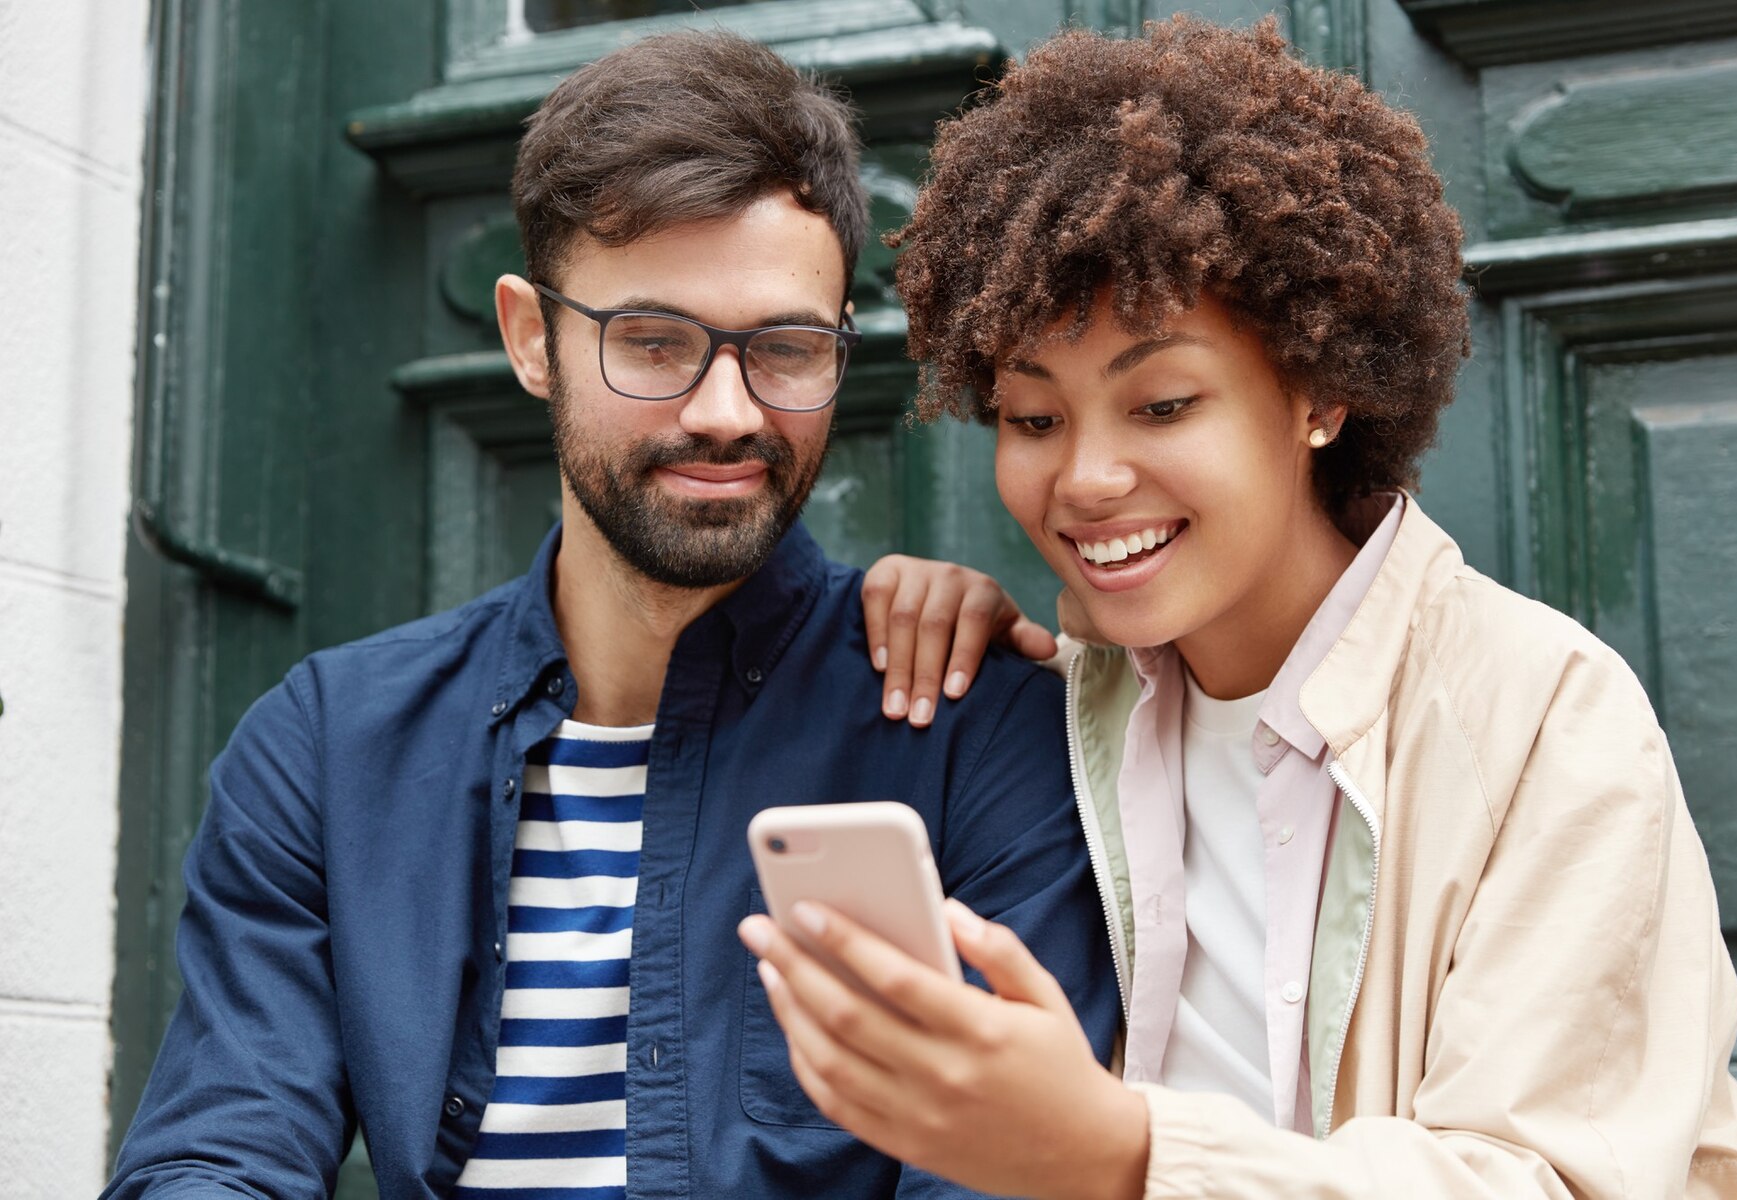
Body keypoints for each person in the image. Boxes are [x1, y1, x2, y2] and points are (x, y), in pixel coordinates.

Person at [738, 16, 1737, 1199]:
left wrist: (1129, 1155)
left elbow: (1547, 1182)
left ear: (1321, 393)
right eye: (1034, 419)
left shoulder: (1550, 720)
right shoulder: (1072, 695)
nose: (1084, 477)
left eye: (1164, 404)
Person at [104, 30, 1118, 1199]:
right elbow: (214, 1152)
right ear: (533, 339)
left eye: (786, 348)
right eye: (654, 343)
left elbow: (1007, 1178)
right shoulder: (330, 747)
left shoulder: (973, 732)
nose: (729, 410)